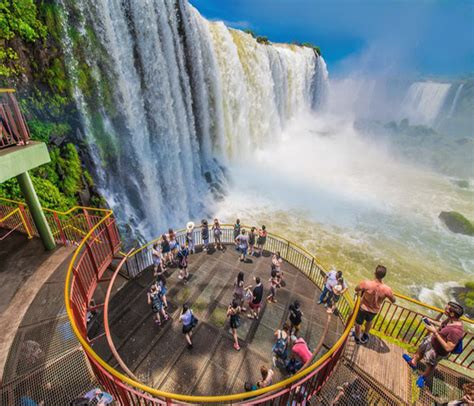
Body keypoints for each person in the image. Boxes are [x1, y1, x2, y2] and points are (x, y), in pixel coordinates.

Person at [403, 301, 465, 389]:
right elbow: (443, 325)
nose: (444, 310)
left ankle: (423, 377)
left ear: (452, 313)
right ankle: (413, 362)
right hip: (432, 340)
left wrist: (435, 332)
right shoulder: (451, 320)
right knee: (420, 350)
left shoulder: (456, 331)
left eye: (446, 309)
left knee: (430, 365)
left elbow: (448, 348)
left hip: (438, 350)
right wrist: (431, 321)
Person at [354, 265, 395, 344]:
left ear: (374, 273)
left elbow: (356, 288)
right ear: (384, 276)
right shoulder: (387, 289)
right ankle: (365, 335)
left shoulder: (366, 283)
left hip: (363, 308)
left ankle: (357, 338)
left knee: (358, 323)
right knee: (369, 321)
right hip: (374, 310)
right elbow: (393, 300)